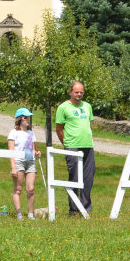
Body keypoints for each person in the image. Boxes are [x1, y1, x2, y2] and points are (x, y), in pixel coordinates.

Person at [54, 81, 94, 215]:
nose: (79, 94)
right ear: (70, 92)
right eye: (76, 92)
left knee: (88, 178)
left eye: (81, 92)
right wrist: (67, 144)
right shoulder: (63, 107)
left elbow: (88, 124)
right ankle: (74, 209)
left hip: (88, 145)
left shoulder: (87, 106)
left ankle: (85, 209)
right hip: (72, 146)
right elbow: (59, 129)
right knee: (75, 177)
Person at [8, 108, 41, 220]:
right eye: (26, 117)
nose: (28, 120)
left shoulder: (31, 133)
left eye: (29, 117)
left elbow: (34, 147)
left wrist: (37, 151)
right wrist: (13, 167)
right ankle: (19, 214)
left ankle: (30, 214)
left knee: (30, 189)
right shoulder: (13, 133)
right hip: (18, 161)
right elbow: (11, 151)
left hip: (30, 161)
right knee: (18, 189)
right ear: (20, 119)